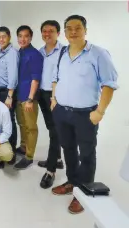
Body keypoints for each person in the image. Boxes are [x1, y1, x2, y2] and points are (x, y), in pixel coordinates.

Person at [51, 15, 118, 214]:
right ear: (64, 32)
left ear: (85, 30)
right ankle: (72, 182)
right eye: (69, 28)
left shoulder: (98, 54)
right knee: (69, 149)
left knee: (87, 153)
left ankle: (85, 191)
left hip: (85, 115)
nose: (73, 32)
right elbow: (56, 78)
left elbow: (109, 84)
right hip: (62, 112)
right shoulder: (63, 52)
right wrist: (54, 99)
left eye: (77, 28)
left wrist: (100, 111)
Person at [37, 20, 64, 189]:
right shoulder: (39, 52)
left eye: (51, 31)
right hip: (42, 94)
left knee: (56, 132)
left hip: (56, 96)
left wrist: (55, 97)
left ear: (58, 33)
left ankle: (51, 170)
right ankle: (59, 159)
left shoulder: (64, 51)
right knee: (51, 128)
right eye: (44, 31)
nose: (47, 34)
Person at [14, 25, 44, 170]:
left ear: (31, 37)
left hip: (28, 98)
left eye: (26, 36)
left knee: (31, 127)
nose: (23, 39)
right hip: (19, 96)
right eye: (20, 36)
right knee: (22, 124)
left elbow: (35, 79)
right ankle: (23, 147)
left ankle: (29, 157)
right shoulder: (19, 52)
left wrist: (30, 99)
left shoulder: (35, 54)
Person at [0, 26, 19, 167]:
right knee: (0, 123)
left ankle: (11, 153)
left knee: (9, 122)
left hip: (8, 93)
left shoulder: (12, 53)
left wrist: (9, 96)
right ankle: (1, 152)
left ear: (9, 37)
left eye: (4, 36)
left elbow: (13, 76)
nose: (1, 39)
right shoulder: (1, 52)